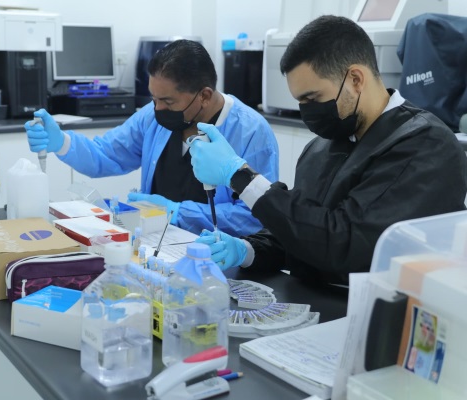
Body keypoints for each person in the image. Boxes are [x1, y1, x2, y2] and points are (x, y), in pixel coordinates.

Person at [189, 15, 467, 284]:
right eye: (300, 101)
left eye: (313, 98)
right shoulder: (321, 148)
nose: (307, 112)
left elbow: (345, 243)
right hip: (312, 303)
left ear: (355, 79)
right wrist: (247, 250)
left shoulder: (425, 145)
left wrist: (241, 176)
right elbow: (303, 232)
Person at [24, 39, 278, 237]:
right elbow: (106, 154)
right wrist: (62, 142)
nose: (157, 109)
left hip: (219, 260)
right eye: (153, 98)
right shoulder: (152, 117)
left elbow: (254, 216)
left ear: (204, 96)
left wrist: (176, 212)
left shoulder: (251, 132)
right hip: (157, 246)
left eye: (167, 101)